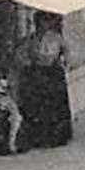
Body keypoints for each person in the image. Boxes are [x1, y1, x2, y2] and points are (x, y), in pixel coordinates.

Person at [19, 13, 72, 150]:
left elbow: (66, 54)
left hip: (53, 74)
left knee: (54, 107)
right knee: (39, 107)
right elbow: (24, 56)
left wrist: (63, 64)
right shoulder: (31, 39)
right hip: (37, 74)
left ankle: (55, 137)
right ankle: (39, 137)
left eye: (44, 22)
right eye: (38, 23)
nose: (41, 25)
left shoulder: (56, 38)